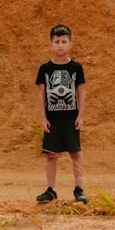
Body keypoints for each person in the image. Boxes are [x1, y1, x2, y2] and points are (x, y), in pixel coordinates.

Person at [35, 24, 88, 203]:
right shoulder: (45, 69)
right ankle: (50, 190)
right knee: (51, 154)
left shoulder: (76, 68)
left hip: (71, 118)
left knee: (75, 153)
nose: (60, 45)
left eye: (64, 41)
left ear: (70, 45)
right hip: (52, 119)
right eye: (56, 42)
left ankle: (79, 189)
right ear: (51, 45)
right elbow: (41, 93)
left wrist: (80, 115)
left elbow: (81, 92)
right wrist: (43, 117)